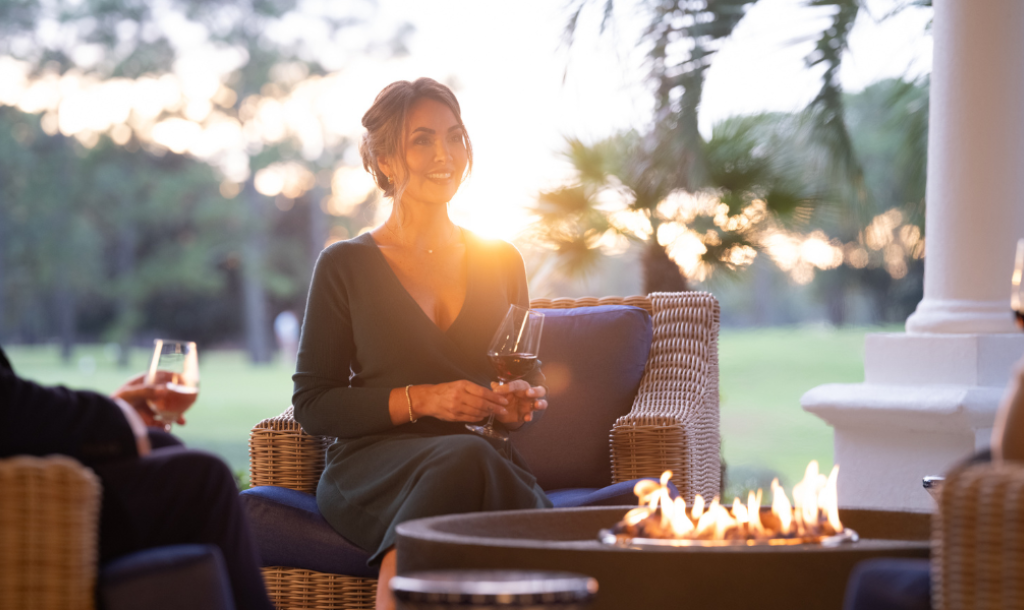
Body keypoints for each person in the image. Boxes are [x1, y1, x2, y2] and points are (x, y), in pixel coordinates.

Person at [292, 77, 550, 610]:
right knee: (467, 459)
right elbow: (313, 404)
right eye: (423, 140)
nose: (445, 155)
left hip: (479, 453)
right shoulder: (344, 266)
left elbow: (527, 379)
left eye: (455, 137)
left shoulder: (502, 261)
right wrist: (426, 399)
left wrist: (516, 404)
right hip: (373, 469)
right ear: (386, 160)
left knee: (468, 454)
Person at [0, 344, 275, 610]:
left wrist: (116, 414)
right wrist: (115, 419)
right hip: (20, 508)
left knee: (164, 446)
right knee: (203, 479)